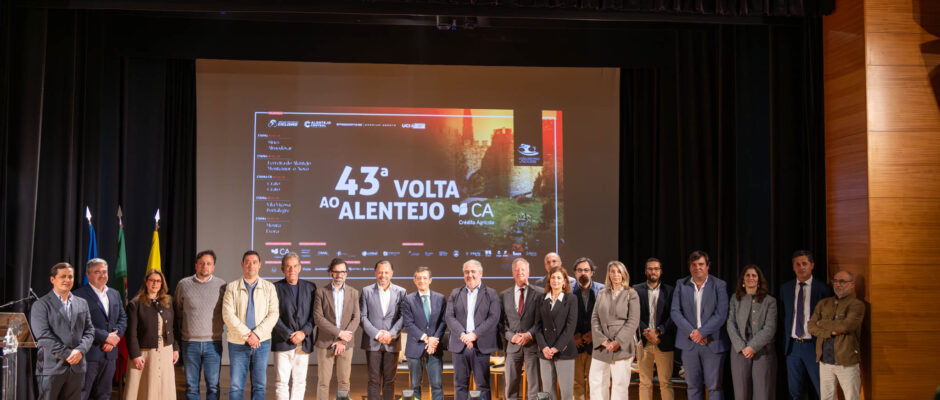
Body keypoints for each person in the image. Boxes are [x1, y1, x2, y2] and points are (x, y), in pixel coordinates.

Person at [670, 250, 730, 400]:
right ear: (690, 267)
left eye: (701, 264)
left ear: (708, 266)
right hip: (689, 344)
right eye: (694, 264)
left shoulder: (719, 285)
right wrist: (693, 334)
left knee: (714, 387)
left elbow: (721, 314)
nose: (698, 267)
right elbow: (675, 312)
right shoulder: (681, 284)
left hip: (712, 343)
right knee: (692, 387)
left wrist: (702, 333)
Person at [31, 262, 95, 400]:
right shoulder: (41, 304)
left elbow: (89, 331)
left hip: (77, 367)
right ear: (52, 279)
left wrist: (80, 351)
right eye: (63, 276)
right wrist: (68, 354)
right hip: (51, 367)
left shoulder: (82, 303)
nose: (67, 280)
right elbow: (43, 336)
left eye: (70, 276)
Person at [222, 250, 280, 400]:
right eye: (247, 262)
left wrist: (257, 334)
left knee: (259, 385)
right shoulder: (232, 287)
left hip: (262, 342)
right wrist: (248, 335)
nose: (251, 265)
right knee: (236, 386)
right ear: (242, 265)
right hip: (237, 342)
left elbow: (274, 314)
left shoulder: (269, 287)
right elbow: (227, 314)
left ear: (260, 265)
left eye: (254, 262)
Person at [444, 259, 501, 400]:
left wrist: (474, 335)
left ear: (480, 273)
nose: (470, 275)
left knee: (483, 386)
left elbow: (493, 318)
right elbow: (449, 316)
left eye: (473, 271)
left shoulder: (491, 294)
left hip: (481, 346)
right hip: (460, 345)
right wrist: (463, 335)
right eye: (466, 272)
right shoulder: (456, 293)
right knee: (460, 385)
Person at [174, 250, 227, 400]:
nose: (205, 266)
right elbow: (178, 310)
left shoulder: (222, 285)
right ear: (196, 265)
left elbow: (226, 312)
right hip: (190, 343)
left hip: (213, 343)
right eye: (202, 263)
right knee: (191, 387)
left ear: (213, 266)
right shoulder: (184, 284)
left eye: (209, 263)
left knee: (213, 386)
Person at [72, 258, 127, 400]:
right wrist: (105, 337)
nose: (102, 275)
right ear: (88, 274)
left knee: (104, 394)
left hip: (110, 354)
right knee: (81, 394)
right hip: (89, 354)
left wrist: (114, 339)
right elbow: (80, 323)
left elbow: (123, 318)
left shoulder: (114, 293)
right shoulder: (78, 295)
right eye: (97, 272)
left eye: (104, 272)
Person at [781, 250, 832, 400]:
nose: (801, 267)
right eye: (797, 264)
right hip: (793, 347)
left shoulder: (823, 289)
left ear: (812, 265)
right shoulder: (785, 288)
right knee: (796, 392)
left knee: (822, 389)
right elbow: (783, 315)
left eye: (804, 263)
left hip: (814, 346)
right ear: (793, 267)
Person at [807, 271, 865, 400]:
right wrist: (829, 332)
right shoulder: (824, 303)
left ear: (852, 285)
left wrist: (821, 323)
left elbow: (846, 326)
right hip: (825, 361)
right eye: (835, 281)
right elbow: (811, 326)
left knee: (852, 397)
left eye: (842, 281)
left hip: (846, 362)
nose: (838, 284)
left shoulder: (857, 305)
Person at [589, 261, 641, 400]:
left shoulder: (631, 293)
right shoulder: (602, 293)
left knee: (619, 385)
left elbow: (633, 321)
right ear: (609, 274)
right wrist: (603, 340)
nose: (616, 274)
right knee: (596, 382)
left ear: (624, 274)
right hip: (602, 346)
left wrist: (618, 341)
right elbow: (595, 318)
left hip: (622, 346)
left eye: (619, 271)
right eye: (612, 271)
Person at [125, 269, 179, 399]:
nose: (155, 283)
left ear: (162, 283)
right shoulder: (135, 304)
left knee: (164, 386)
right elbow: (131, 333)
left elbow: (173, 327)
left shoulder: (168, 301)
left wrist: (175, 348)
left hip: (166, 351)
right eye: (152, 280)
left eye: (158, 281)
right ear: (146, 282)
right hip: (145, 353)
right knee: (145, 387)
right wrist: (135, 355)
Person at [313, 258, 361, 400]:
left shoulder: (353, 292)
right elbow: (318, 318)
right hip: (325, 342)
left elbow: (356, 318)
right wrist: (339, 333)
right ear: (331, 273)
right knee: (323, 382)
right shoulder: (321, 292)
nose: (340, 275)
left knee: (344, 382)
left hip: (346, 344)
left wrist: (342, 340)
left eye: (343, 272)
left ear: (346, 273)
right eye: (336, 272)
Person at [727, 265, 777, 400]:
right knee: (741, 393)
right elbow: (730, 324)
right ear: (743, 279)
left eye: (754, 275)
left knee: (763, 393)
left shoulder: (770, 301)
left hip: (763, 351)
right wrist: (742, 346)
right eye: (747, 275)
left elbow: (770, 328)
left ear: (759, 279)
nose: (751, 278)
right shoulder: (735, 299)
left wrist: (752, 347)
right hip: (739, 350)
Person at [272, 252, 317, 400]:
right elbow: (273, 315)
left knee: (300, 381)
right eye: (288, 266)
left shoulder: (310, 287)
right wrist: (288, 334)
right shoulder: (275, 288)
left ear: (300, 267)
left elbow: (315, 314)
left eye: (295, 266)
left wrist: (303, 332)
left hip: (303, 341)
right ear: (282, 268)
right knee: (281, 382)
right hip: (283, 341)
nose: (292, 269)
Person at [360, 260, 407, 400]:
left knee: (390, 381)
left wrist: (391, 334)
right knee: (373, 380)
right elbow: (362, 317)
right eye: (380, 272)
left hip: (392, 342)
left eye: (386, 272)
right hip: (372, 341)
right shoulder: (366, 291)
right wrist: (377, 333)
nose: (383, 275)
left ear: (392, 273)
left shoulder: (401, 292)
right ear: (375, 273)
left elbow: (404, 316)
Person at [499, 257, 543, 400]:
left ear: (528, 272)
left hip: (533, 346)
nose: (520, 272)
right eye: (516, 270)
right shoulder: (504, 295)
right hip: (513, 346)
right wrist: (511, 336)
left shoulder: (539, 293)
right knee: (511, 386)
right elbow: (501, 323)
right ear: (512, 273)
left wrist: (529, 334)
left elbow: (541, 321)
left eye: (523, 269)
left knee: (534, 386)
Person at [401, 266, 447, 400]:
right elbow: (408, 324)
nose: (422, 281)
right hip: (415, 346)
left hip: (434, 347)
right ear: (414, 280)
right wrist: (427, 339)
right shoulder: (408, 299)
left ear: (430, 280)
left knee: (437, 384)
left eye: (425, 278)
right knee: (415, 385)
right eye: (419, 278)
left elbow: (443, 322)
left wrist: (434, 339)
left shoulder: (440, 298)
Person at [633, 257, 675, 400]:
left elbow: (673, 315)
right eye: (650, 269)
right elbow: (634, 315)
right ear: (646, 271)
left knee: (665, 382)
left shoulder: (670, 291)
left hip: (663, 340)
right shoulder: (636, 289)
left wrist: (658, 331)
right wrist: (647, 332)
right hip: (644, 342)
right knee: (645, 383)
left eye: (656, 269)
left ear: (661, 271)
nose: (653, 271)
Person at [535, 266, 578, 400]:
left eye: (559, 278)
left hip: (564, 350)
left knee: (566, 392)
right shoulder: (541, 298)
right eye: (553, 277)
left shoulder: (571, 299)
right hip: (545, 352)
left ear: (564, 281)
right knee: (547, 392)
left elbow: (570, 327)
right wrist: (544, 347)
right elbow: (537, 326)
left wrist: (557, 347)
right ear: (549, 280)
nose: (555, 280)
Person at [571, 257, 604, 400]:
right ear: (575, 273)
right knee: (576, 384)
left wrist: (594, 334)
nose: (583, 273)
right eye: (579, 270)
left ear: (592, 272)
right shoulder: (568, 291)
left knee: (595, 384)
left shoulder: (602, 290)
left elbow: (606, 317)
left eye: (586, 270)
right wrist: (574, 335)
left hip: (596, 345)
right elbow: (564, 317)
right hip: (575, 344)